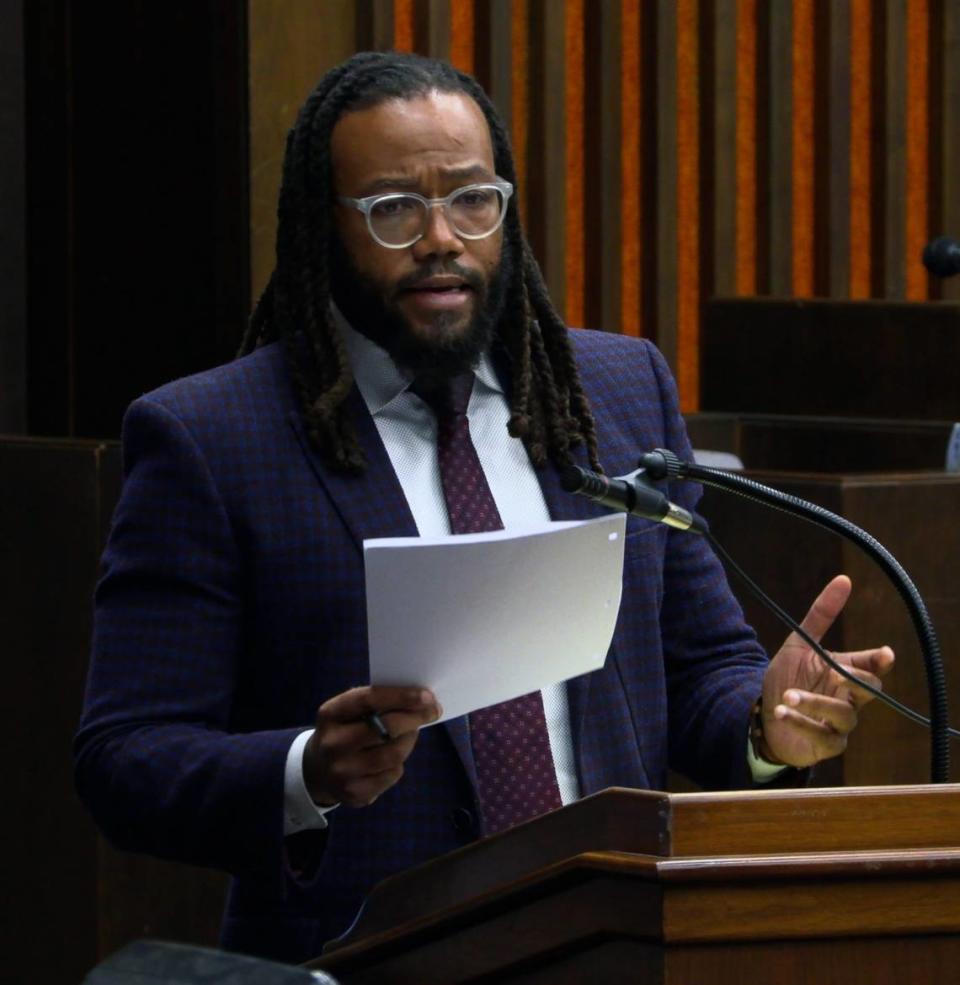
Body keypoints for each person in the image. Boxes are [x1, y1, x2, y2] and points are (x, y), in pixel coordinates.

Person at [74, 51, 894, 965]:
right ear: (323, 228)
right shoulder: (211, 438)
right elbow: (125, 759)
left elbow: (699, 669)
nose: (441, 237)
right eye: (394, 209)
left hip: (609, 945)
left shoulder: (615, 392)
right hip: (363, 960)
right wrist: (307, 768)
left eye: (472, 199)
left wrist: (763, 722)